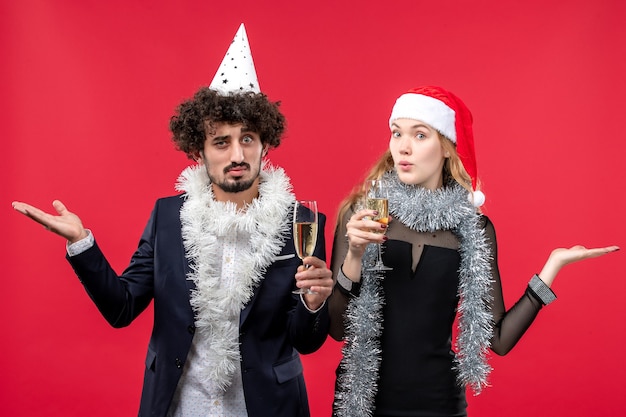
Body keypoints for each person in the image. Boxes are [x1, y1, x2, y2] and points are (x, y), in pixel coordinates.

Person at [11, 24, 333, 417]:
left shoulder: (304, 223)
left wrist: (314, 304)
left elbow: (306, 342)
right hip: (180, 407)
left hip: (269, 407)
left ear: (265, 144)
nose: (237, 154)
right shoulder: (168, 217)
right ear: (198, 151)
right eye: (221, 142)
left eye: (247, 138)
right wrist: (81, 243)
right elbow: (122, 308)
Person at [328, 85, 619, 417]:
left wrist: (552, 267)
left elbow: (498, 340)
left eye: (420, 135)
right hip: (363, 404)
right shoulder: (361, 216)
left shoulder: (473, 230)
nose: (403, 147)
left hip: (440, 405)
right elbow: (337, 329)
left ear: (447, 148)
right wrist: (354, 254)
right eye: (397, 133)